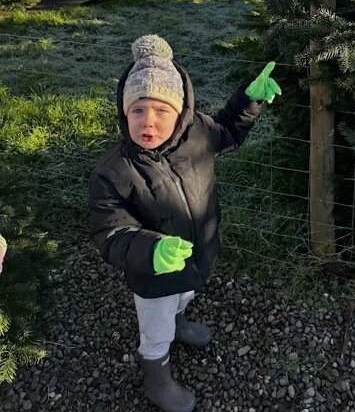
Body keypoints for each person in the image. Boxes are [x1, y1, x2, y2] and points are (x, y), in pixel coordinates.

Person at [89, 34, 280, 412]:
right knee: (155, 327)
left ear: (181, 113)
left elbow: (228, 129)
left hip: (197, 252)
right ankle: (156, 378)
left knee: (185, 295)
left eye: (161, 110)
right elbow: (110, 231)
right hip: (153, 274)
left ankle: (180, 324)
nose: (148, 121)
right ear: (124, 113)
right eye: (137, 110)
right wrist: (151, 250)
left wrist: (249, 101)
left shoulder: (199, 134)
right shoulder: (112, 172)